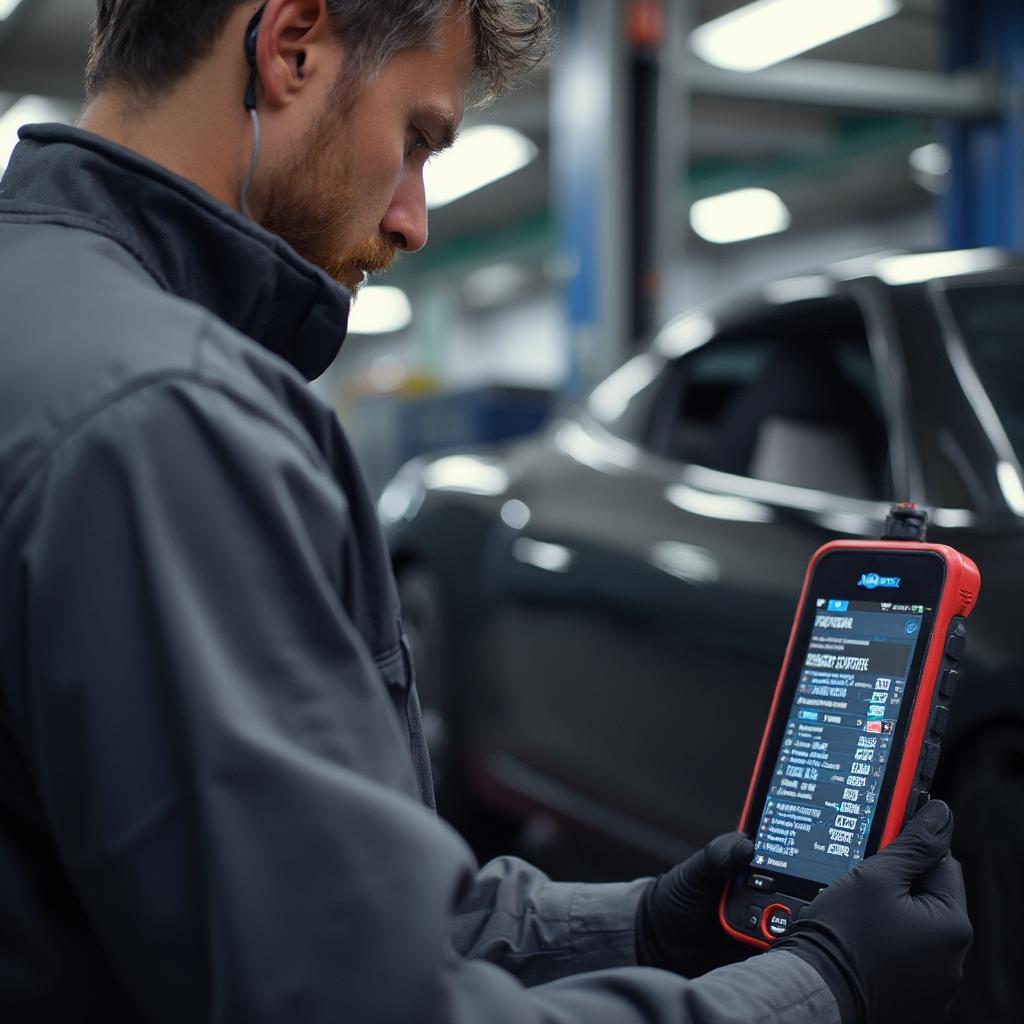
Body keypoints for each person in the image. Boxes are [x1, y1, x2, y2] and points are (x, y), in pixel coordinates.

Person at [0, 2, 971, 1021]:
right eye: (416, 137)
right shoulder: (173, 416)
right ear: (288, 45)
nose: (413, 219)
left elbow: (301, 906)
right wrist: (817, 988)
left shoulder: (52, 324)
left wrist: (639, 924)